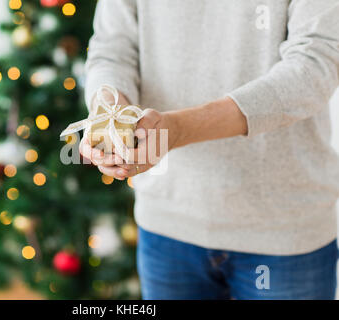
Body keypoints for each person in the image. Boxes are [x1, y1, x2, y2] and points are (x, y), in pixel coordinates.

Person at [80, 0, 339, 299]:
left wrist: (178, 129)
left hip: (284, 231)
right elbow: (112, 48)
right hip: (166, 221)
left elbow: (314, 66)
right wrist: (110, 113)